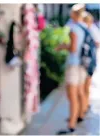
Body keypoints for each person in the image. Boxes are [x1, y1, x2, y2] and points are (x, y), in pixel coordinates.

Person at [55, 4, 87, 134]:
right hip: (83, 64)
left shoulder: (73, 28)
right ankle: (80, 115)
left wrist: (62, 47)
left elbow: (73, 48)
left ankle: (71, 124)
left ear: (74, 14)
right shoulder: (85, 27)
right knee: (80, 92)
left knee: (72, 95)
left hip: (74, 64)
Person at [82, 11, 100, 114]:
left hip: (89, 61)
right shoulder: (90, 29)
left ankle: (85, 105)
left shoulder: (91, 30)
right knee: (85, 85)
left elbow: (98, 43)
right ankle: (84, 105)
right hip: (88, 61)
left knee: (86, 84)